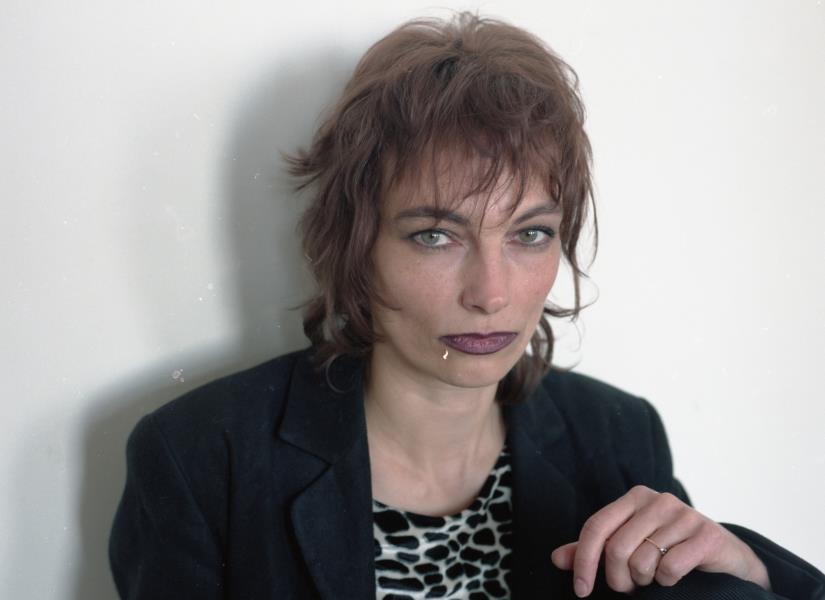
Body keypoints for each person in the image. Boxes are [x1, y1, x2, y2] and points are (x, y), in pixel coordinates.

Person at [108, 12, 825, 600]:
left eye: (529, 234)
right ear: (355, 243)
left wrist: (748, 576)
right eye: (435, 235)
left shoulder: (617, 436)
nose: (491, 294)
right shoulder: (199, 458)